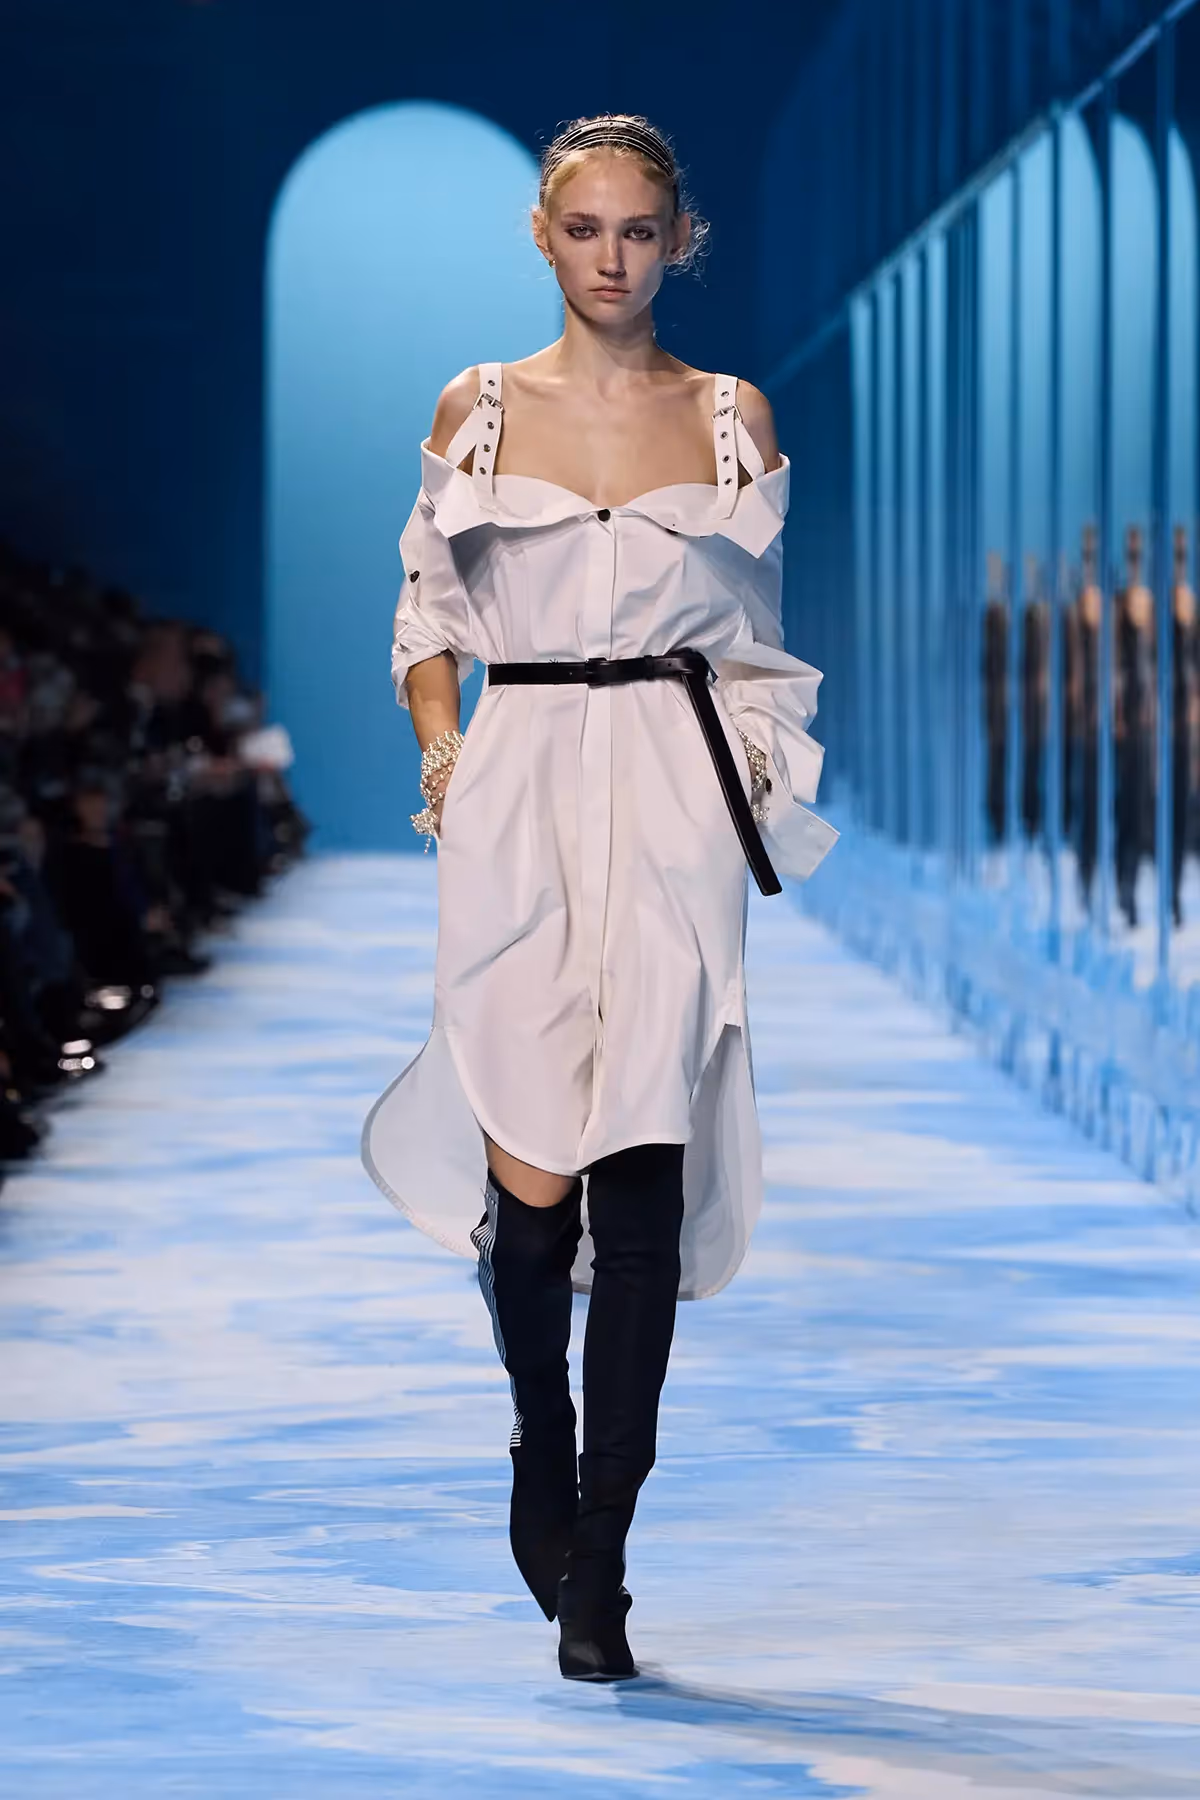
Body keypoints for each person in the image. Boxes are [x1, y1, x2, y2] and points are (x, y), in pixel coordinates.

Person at [361, 113, 837, 1681]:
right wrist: (444, 755)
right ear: (544, 236)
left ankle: (604, 1559)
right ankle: (540, 1438)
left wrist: (744, 787)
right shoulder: (480, 410)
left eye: (640, 230)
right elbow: (429, 612)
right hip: (517, 791)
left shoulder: (732, 418)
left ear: (677, 240)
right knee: (532, 1184)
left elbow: (756, 641)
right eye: (586, 229)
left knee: (641, 1170)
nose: (613, 257)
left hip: (673, 791)